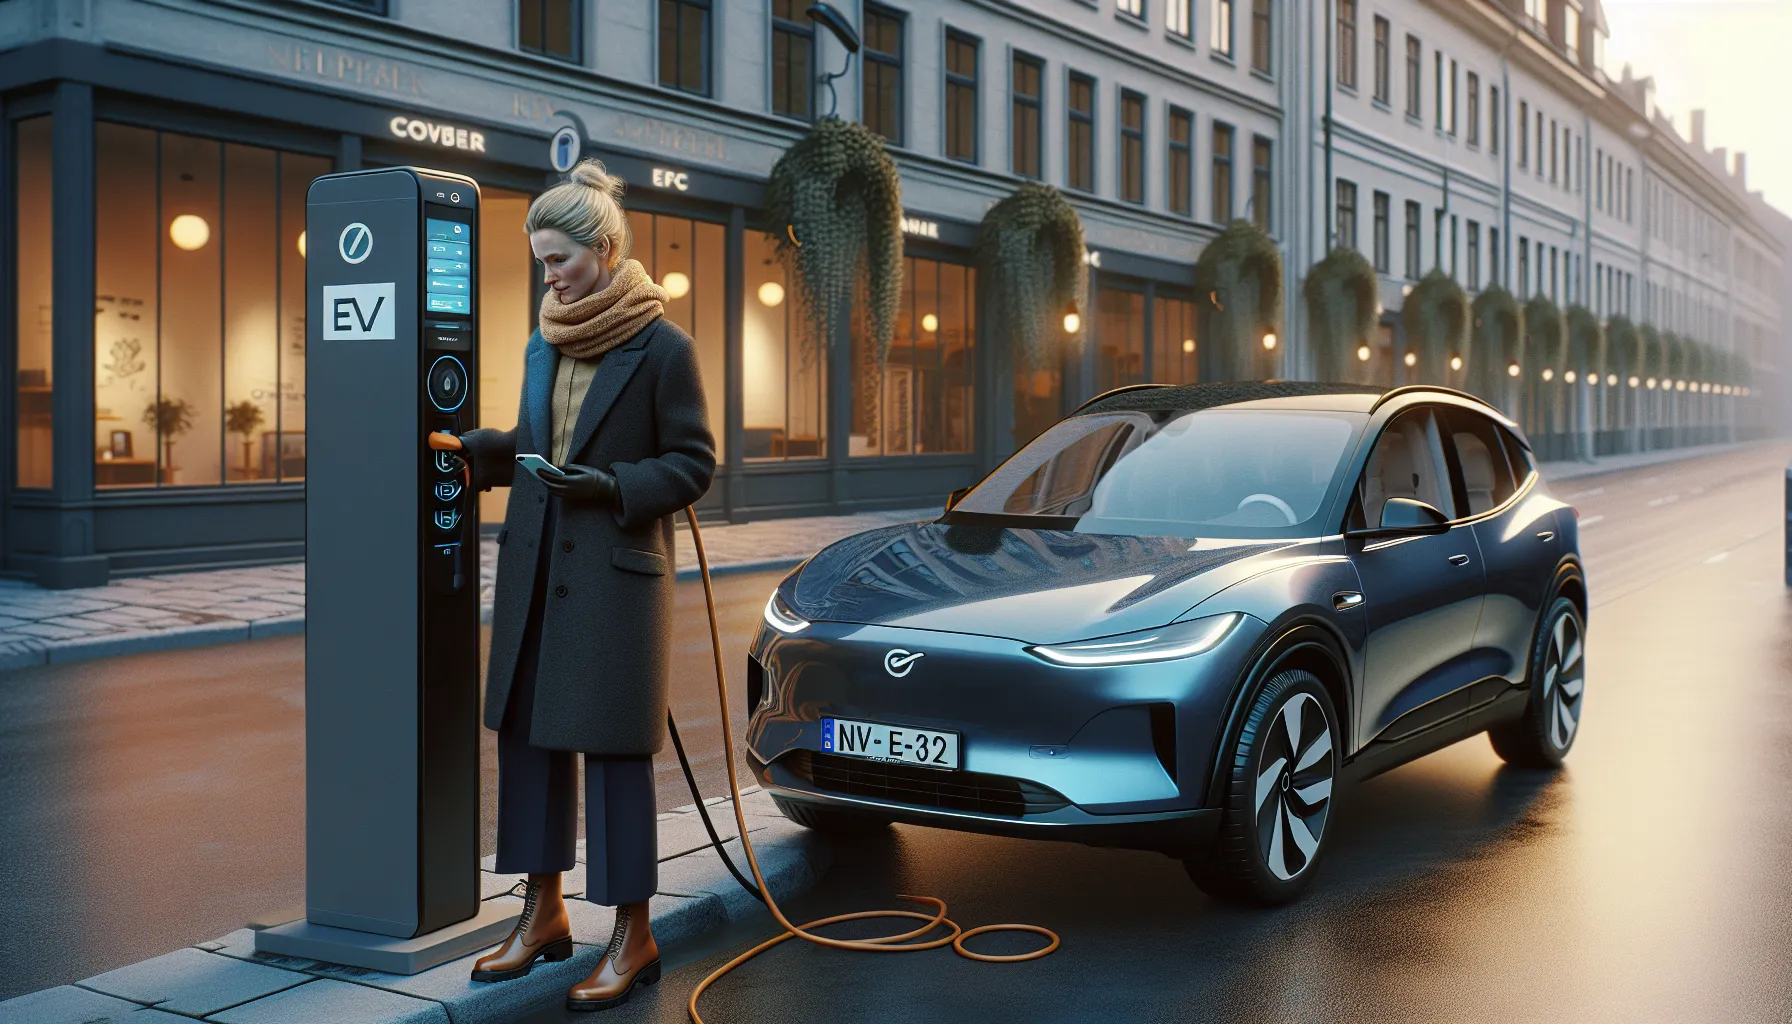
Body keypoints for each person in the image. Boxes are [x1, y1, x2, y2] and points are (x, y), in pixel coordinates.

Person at [440, 159, 714, 1013]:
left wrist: (610, 487)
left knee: (616, 758)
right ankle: (542, 913)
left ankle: (633, 935)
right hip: (536, 570)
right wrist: (478, 452)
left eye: (559, 259)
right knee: (527, 740)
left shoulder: (664, 347)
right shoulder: (543, 340)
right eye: (541, 262)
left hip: (616, 584)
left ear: (604, 249)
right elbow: (538, 440)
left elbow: (694, 464)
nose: (549, 276)